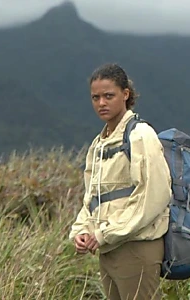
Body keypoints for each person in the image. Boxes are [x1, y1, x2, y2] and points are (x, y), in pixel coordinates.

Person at [68, 63, 172, 300]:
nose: (101, 103)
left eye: (108, 96)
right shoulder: (99, 144)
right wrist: (82, 230)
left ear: (126, 94)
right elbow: (92, 199)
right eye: (95, 97)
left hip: (136, 246)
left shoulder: (140, 135)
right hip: (108, 248)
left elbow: (152, 196)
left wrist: (105, 233)